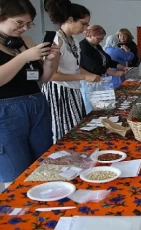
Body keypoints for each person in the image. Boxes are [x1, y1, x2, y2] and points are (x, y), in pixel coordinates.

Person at [0, 0, 60, 182]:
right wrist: (24, 57)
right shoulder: (25, 50)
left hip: (36, 104)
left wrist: (51, 60)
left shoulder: (25, 41)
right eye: (19, 23)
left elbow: (42, 78)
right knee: (16, 172)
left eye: (29, 23)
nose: (25, 28)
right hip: (6, 111)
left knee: (44, 166)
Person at [43, 0, 100, 144]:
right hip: (59, 92)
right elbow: (52, 75)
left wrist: (89, 75)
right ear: (70, 19)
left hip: (72, 90)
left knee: (76, 127)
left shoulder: (72, 40)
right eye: (84, 23)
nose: (86, 28)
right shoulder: (57, 40)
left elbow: (74, 66)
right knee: (64, 130)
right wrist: (84, 76)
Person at [79, 25, 129, 113]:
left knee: (102, 107)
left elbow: (108, 60)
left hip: (99, 80)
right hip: (89, 82)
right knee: (91, 108)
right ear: (90, 35)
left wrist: (123, 67)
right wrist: (115, 73)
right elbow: (94, 67)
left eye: (102, 39)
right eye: (98, 39)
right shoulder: (83, 46)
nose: (100, 41)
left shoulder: (96, 45)